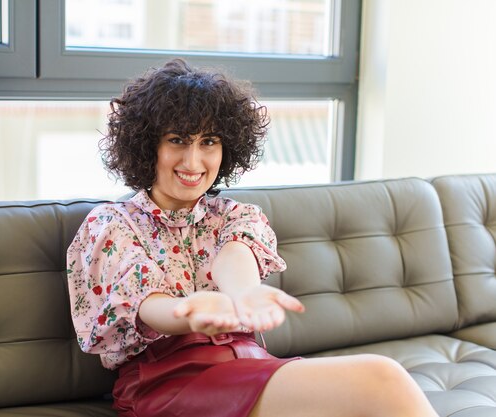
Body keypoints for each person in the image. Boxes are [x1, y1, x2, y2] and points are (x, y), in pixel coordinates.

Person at [67, 58, 439, 417]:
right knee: (382, 378)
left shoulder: (235, 215)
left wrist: (243, 293)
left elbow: (235, 257)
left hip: (249, 365)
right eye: (178, 140)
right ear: (147, 146)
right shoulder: (112, 224)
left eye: (209, 141)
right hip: (167, 382)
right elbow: (149, 305)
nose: (194, 162)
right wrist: (190, 314)